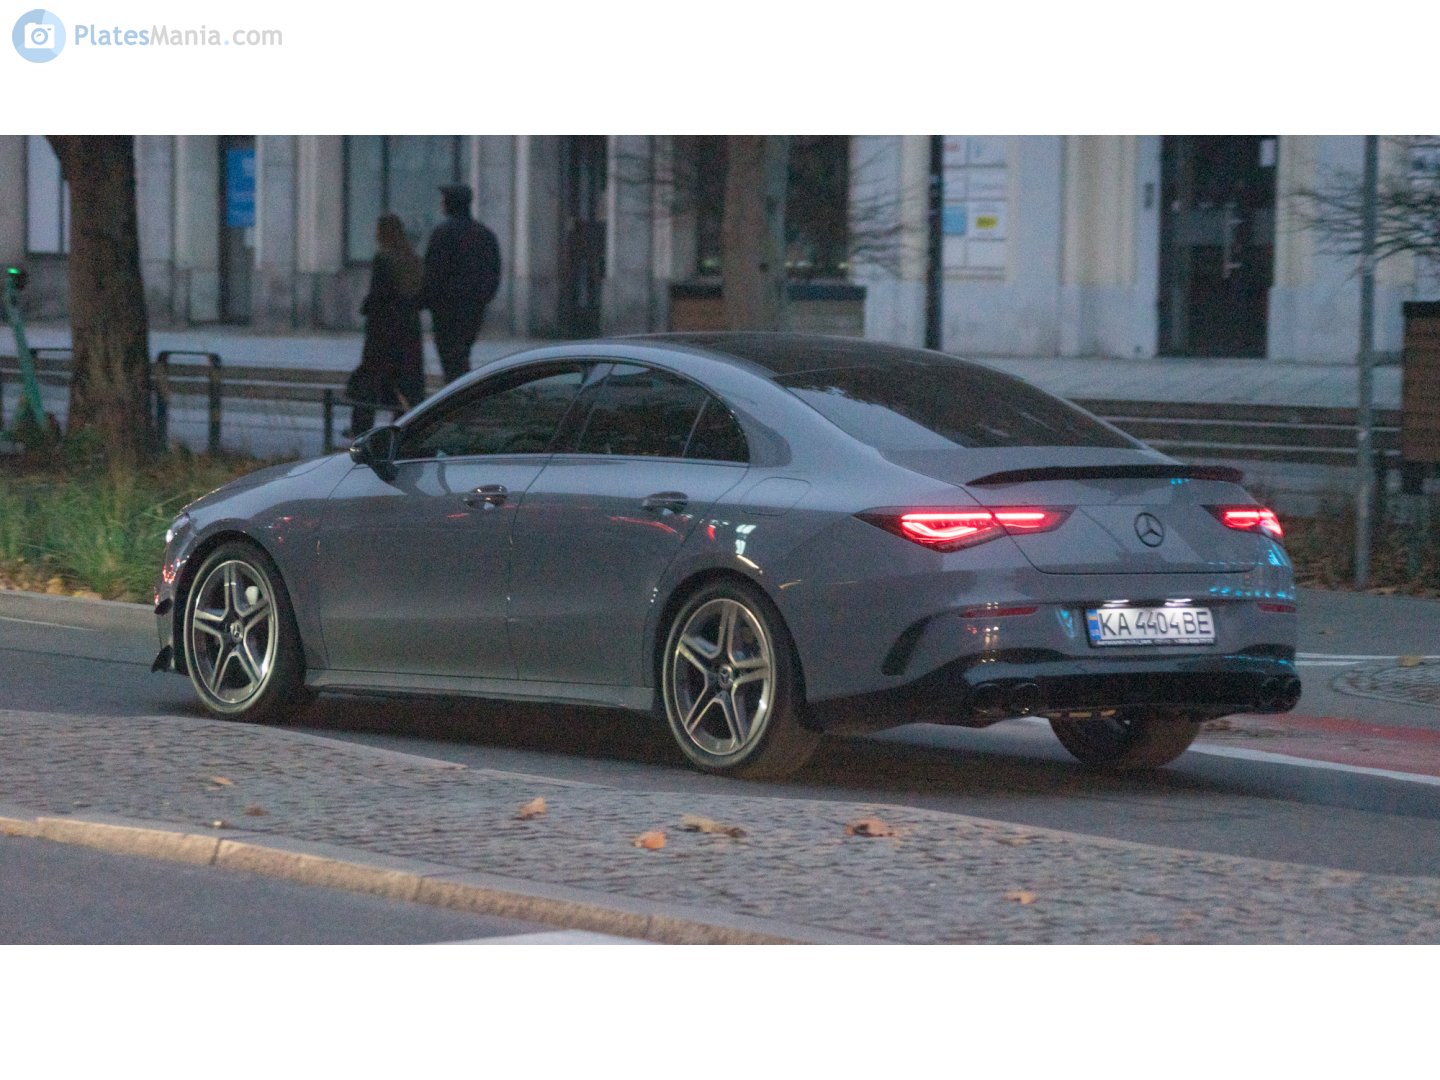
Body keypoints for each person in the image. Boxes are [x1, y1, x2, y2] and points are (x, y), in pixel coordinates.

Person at [346, 214, 425, 436]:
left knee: (368, 382)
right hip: (408, 330)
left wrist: (366, 308)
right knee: (405, 385)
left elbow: (379, 295)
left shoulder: (384, 258)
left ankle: (360, 430)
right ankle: (403, 429)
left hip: (383, 330)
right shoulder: (413, 259)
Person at [423, 184, 501, 384]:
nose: (441, 204)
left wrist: (427, 300)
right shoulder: (484, 234)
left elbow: (433, 272)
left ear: (450, 204)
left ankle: (458, 395)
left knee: (450, 358)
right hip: (473, 307)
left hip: (446, 308)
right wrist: (482, 299)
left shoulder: (443, 233)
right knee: (462, 353)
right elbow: (493, 272)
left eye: (443, 200)